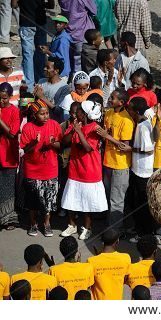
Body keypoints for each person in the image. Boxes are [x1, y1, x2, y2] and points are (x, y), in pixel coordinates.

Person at [60, 101, 107, 240]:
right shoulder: (74, 125)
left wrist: (79, 132)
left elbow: (87, 148)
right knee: (71, 200)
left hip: (90, 171)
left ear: (84, 114)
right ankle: (71, 225)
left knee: (88, 203)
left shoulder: (94, 128)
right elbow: (66, 141)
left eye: (78, 112)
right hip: (75, 169)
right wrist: (74, 129)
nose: (75, 114)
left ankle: (87, 228)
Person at [20, 100, 62, 237]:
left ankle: (47, 224)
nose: (46, 116)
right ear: (34, 115)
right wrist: (34, 143)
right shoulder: (28, 128)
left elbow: (60, 146)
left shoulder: (54, 125)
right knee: (32, 200)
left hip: (50, 169)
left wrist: (52, 144)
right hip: (32, 170)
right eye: (42, 114)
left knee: (49, 200)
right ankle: (33, 224)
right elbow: (25, 149)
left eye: (47, 113)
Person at [98, 89, 134, 231]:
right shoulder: (108, 113)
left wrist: (107, 137)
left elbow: (125, 147)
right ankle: (110, 225)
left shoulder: (127, 120)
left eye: (113, 98)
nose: (110, 100)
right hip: (107, 162)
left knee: (116, 201)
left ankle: (114, 231)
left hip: (120, 166)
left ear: (121, 102)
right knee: (108, 196)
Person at [125, 97, 156, 242]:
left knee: (142, 204)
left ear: (136, 111)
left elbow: (149, 150)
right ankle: (139, 227)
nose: (128, 110)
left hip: (143, 171)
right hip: (137, 169)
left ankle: (144, 233)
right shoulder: (141, 123)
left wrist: (131, 148)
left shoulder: (144, 126)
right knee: (136, 201)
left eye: (130, 108)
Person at [12, 0, 53, 89]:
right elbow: (51, 5)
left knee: (28, 55)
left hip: (26, 22)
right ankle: (41, 82)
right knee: (41, 53)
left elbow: (14, 4)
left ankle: (29, 86)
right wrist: (41, 4)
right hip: (41, 22)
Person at [87, 229, 132, 300]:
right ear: (117, 241)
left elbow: (89, 284)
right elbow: (125, 279)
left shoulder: (91, 261)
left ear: (102, 242)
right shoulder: (126, 258)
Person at [0, 82, 20, 230]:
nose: (1, 101)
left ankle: (8, 220)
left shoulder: (14, 111)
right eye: (0, 98)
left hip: (8, 156)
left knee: (7, 189)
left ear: (10, 97)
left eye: (4, 98)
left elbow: (12, 133)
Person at [58, 0, 97, 73]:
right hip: (82, 34)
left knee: (69, 61)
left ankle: (71, 80)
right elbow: (94, 11)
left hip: (67, 33)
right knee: (79, 65)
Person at [34, 57, 70, 122]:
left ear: (56, 71)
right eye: (45, 66)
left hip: (54, 123)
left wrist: (42, 97)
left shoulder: (64, 88)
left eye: (48, 67)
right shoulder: (41, 81)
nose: (44, 69)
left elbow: (59, 110)